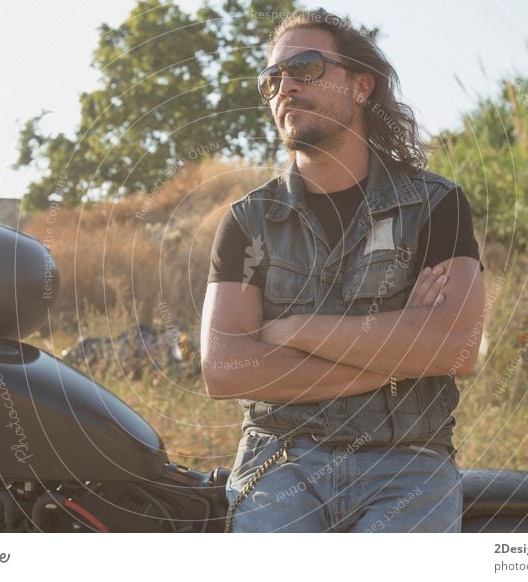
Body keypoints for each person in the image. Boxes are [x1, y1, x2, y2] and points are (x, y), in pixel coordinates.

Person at [200, 8, 485, 533]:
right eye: (272, 78)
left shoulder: (434, 205)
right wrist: (405, 353)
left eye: (305, 67)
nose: (284, 86)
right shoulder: (247, 221)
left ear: (360, 85)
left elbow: (458, 348)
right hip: (278, 461)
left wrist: (292, 331)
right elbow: (224, 369)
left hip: (408, 461)